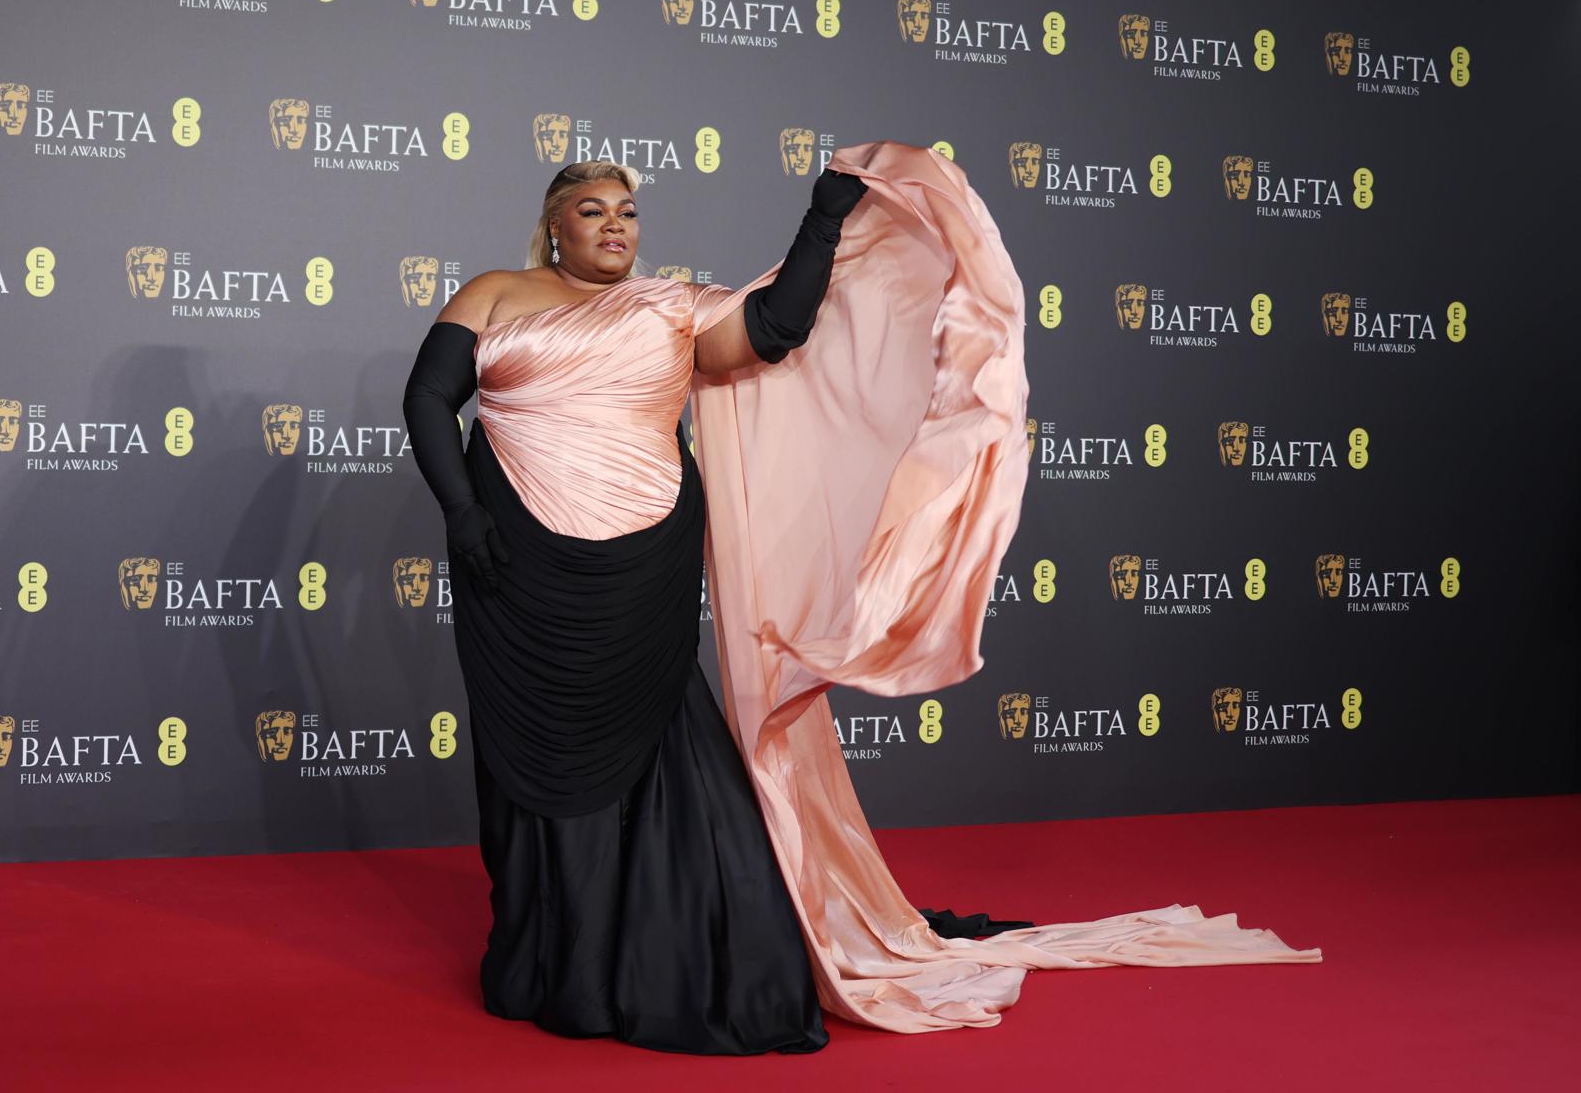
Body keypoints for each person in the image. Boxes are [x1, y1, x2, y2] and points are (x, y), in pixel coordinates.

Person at [402, 142, 1320, 1055]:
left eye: (627, 211)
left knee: (659, 757)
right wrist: (463, 515)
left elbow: (775, 328)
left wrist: (825, 217)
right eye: (593, 211)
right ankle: (545, 958)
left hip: (646, 566)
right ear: (555, 226)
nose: (615, 225)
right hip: (514, 564)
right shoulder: (493, 292)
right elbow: (428, 397)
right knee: (529, 757)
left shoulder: (672, 305)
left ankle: (649, 965)